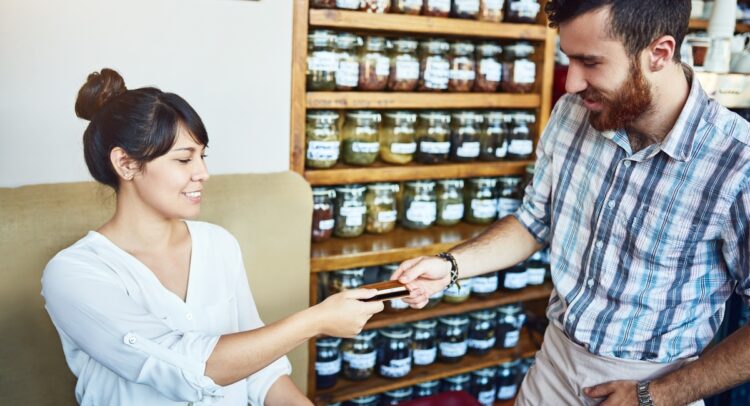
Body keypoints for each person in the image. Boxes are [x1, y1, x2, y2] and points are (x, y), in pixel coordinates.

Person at [393, 1, 750, 405]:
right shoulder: (571, 115)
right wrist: (451, 266)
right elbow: (533, 221)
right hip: (555, 363)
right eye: (569, 59)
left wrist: (660, 395)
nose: (571, 83)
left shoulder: (737, 163)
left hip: (654, 386)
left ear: (659, 53)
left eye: (590, 62)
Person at [41, 68, 384, 406]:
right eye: (184, 159)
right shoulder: (75, 273)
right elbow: (184, 369)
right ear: (126, 164)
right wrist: (315, 320)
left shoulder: (218, 244)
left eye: (202, 156)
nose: (203, 173)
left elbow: (259, 370)